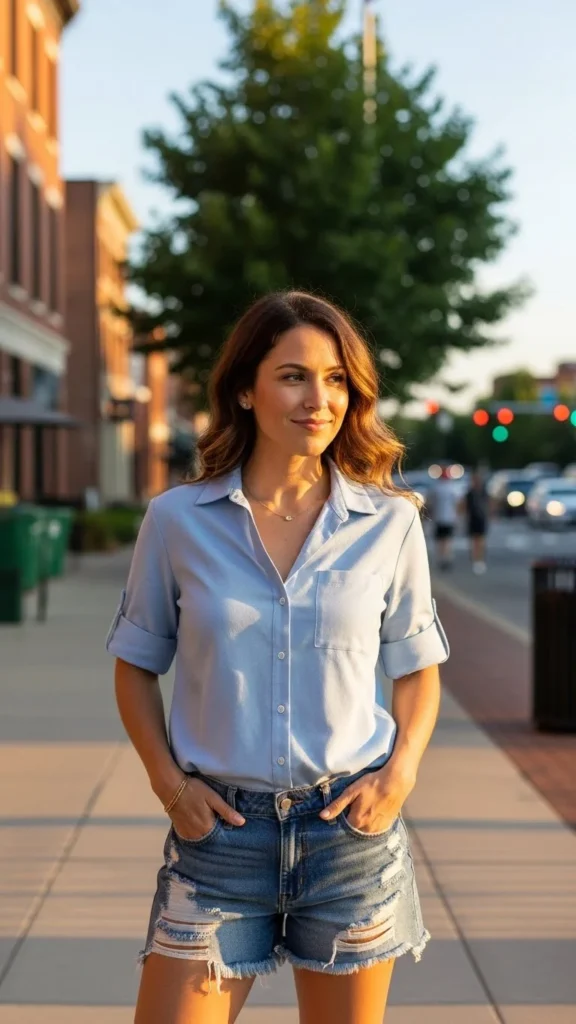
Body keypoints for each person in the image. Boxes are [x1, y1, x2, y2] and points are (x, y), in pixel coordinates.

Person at [106, 291, 449, 1024]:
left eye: (335, 380)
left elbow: (417, 667)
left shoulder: (390, 522)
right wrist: (169, 787)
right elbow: (135, 663)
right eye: (294, 375)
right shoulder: (176, 521)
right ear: (243, 388)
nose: (318, 399)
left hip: (349, 838)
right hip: (221, 839)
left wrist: (401, 774)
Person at [427, 467, 460, 570]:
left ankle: (441, 558)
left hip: (439, 517)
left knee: (440, 540)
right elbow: (458, 503)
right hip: (449, 517)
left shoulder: (436, 487)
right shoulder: (453, 488)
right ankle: (446, 558)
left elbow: (430, 502)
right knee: (447, 540)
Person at [464, 469, 490, 574]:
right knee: (474, 541)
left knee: (481, 541)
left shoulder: (484, 492)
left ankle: (480, 559)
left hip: (482, 518)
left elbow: (489, 503)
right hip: (472, 519)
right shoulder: (470, 493)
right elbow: (465, 506)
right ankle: (475, 559)